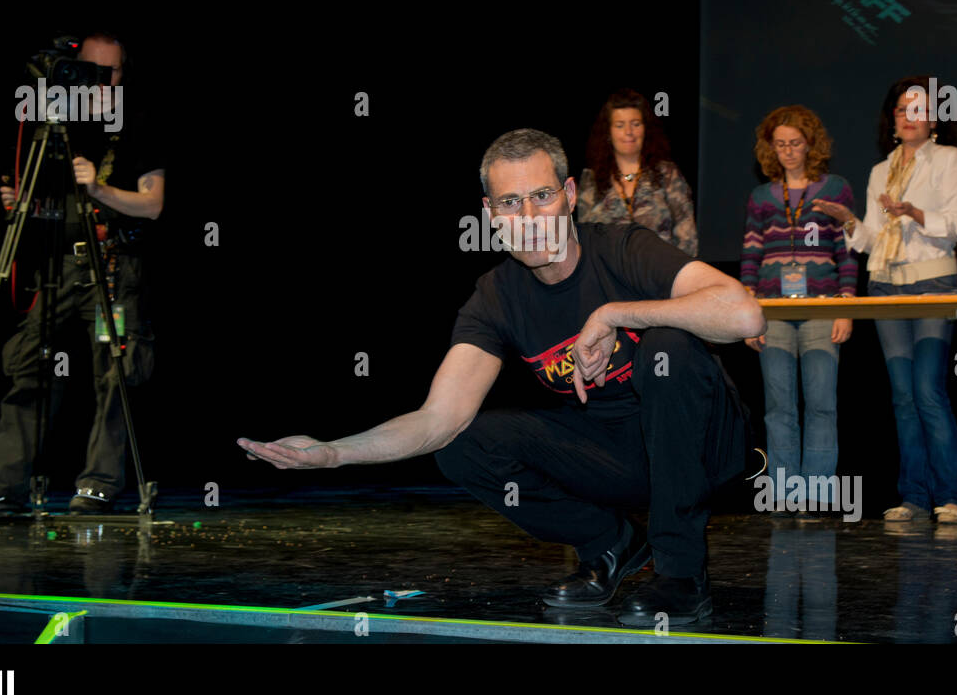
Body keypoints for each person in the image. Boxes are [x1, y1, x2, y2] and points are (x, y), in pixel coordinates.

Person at [239, 129, 764, 626]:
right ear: (490, 214)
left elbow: (744, 315)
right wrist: (333, 452)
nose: (530, 216)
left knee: (667, 345)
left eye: (541, 196)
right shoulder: (496, 296)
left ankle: (680, 574)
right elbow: (436, 419)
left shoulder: (622, 248)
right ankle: (610, 543)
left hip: (707, 451)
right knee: (462, 443)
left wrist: (615, 314)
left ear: (570, 194)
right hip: (623, 459)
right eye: (511, 203)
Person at [0, 31, 165, 514]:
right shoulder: (50, 126)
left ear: (123, 74)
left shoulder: (137, 122)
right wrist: (25, 206)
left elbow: (153, 206)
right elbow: (48, 206)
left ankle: (99, 482)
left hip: (111, 269)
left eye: (109, 71)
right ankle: (9, 480)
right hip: (58, 263)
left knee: (114, 372)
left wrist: (98, 190)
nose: (98, 82)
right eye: (88, 71)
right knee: (28, 364)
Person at [814, 75, 957, 524]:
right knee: (903, 397)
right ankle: (914, 498)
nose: (909, 117)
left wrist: (915, 213)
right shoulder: (880, 171)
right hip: (885, 285)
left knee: (928, 390)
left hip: (932, 285)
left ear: (934, 118)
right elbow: (868, 239)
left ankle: (952, 497)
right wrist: (848, 221)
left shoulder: (950, 160)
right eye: (902, 109)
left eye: (918, 109)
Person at [740, 106, 857, 514]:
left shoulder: (835, 189)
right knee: (778, 407)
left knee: (822, 404)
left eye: (795, 142)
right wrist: (748, 313)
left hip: (823, 311)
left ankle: (819, 496)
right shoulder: (761, 198)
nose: (788, 151)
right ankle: (786, 496)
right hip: (771, 314)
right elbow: (751, 257)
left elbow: (846, 252)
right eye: (780, 144)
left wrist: (846, 307)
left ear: (811, 144)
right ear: (771, 148)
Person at [576, 88, 698, 256]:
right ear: (608, 133)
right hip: (609, 278)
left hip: (661, 276)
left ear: (645, 129)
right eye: (620, 125)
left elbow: (687, 236)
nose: (629, 132)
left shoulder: (667, 174)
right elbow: (584, 238)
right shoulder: (591, 179)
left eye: (635, 124)